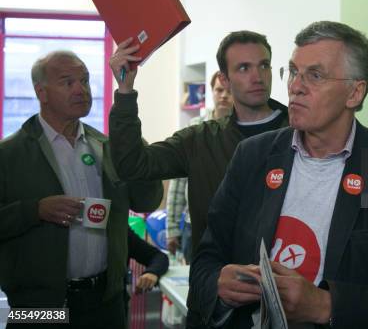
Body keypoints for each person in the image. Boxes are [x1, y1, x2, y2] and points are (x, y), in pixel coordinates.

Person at [190, 22, 368, 328]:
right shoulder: (252, 156)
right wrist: (218, 285)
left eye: (314, 76)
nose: (295, 86)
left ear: (354, 92)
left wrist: (325, 305)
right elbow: (205, 261)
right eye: (293, 72)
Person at [107, 30, 289, 326]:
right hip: (216, 302)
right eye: (244, 68)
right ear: (225, 80)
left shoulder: (303, 134)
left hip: (289, 300)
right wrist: (125, 93)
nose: (258, 76)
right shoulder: (201, 140)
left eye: (264, 65)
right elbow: (133, 165)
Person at [0, 51, 163, 329]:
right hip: (35, 308)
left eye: (85, 81)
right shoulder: (9, 154)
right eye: (68, 82)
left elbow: (147, 200)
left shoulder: (107, 147)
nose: (81, 89)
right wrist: (35, 210)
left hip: (105, 303)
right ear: (42, 92)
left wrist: (135, 152)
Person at [166, 71, 234, 264]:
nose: (224, 95)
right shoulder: (195, 129)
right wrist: (172, 228)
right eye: (219, 90)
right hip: (194, 225)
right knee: (194, 285)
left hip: (230, 227)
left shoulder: (241, 131)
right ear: (211, 92)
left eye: (229, 91)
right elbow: (178, 184)